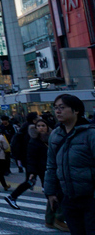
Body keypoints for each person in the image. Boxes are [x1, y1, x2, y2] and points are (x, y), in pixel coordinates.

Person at [45, 94, 95, 234]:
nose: (58, 111)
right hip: (68, 198)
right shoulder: (55, 135)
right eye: (56, 108)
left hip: (90, 198)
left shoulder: (90, 134)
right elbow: (51, 166)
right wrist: (50, 192)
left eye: (62, 107)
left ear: (76, 110)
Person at [5, 118, 67, 229]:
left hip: (50, 168)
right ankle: (56, 219)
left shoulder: (51, 137)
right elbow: (31, 158)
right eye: (38, 126)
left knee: (52, 193)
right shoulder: (34, 140)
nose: (41, 128)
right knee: (53, 192)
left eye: (43, 125)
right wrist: (32, 172)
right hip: (41, 169)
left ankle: (50, 220)